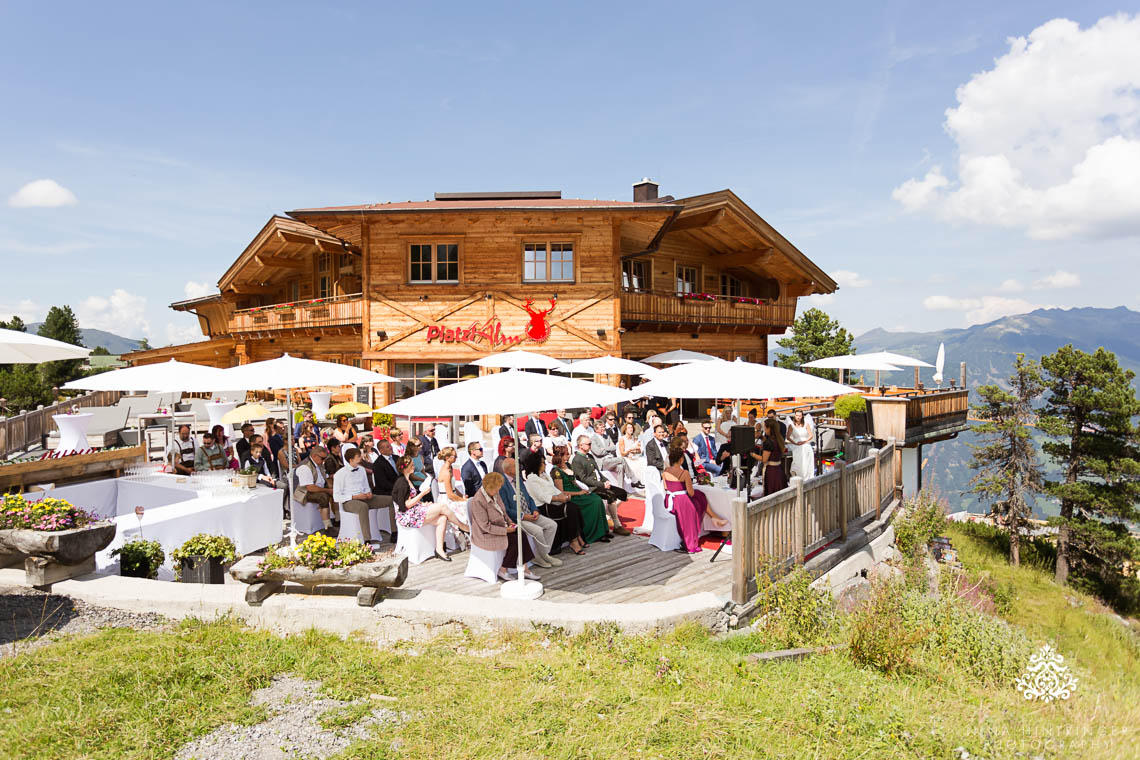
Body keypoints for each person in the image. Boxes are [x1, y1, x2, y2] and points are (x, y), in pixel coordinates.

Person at [392, 455, 469, 561]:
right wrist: (422, 494)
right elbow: (406, 505)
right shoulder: (402, 483)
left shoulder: (407, 479)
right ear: (405, 468)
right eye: (412, 465)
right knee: (442, 506)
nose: (414, 467)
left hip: (413, 511)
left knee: (442, 518)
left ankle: (439, 549)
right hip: (406, 516)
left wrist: (422, 504)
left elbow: (411, 501)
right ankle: (463, 527)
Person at [467, 471, 537, 581]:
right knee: (514, 540)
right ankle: (503, 569)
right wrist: (505, 530)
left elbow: (504, 513)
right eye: (496, 489)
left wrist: (510, 523)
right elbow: (485, 527)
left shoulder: (495, 493)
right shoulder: (478, 501)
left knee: (521, 534)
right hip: (486, 533)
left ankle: (524, 568)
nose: (498, 491)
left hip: (502, 525)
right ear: (489, 487)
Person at [522, 449, 586, 556]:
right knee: (571, 509)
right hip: (543, 506)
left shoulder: (545, 476)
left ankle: (577, 536)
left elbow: (554, 489)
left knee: (574, 506)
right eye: (543, 463)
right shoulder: (532, 478)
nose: (545, 465)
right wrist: (558, 498)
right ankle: (574, 541)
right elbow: (542, 496)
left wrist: (563, 496)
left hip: (553, 502)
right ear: (537, 464)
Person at [663, 447, 727, 553]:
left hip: (669, 500)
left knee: (700, 496)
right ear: (681, 460)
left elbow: (665, 487)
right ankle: (714, 518)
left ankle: (714, 518)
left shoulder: (665, 471)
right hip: (681, 502)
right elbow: (691, 492)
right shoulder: (684, 473)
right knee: (699, 498)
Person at [499, 458, 560, 568]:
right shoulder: (502, 484)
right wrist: (523, 516)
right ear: (508, 470)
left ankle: (542, 554)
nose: (518, 468)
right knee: (537, 531)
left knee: (552, 525)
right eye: (515, 466)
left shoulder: (518, 479)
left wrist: (535, 510)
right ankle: (543, 556)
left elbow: (529, 498)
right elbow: (505, 508)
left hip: (529, 512)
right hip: (516, 517)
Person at [571, 436, 631, 537]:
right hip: (590, 487)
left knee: (622, 493)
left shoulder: (589, 456)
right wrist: (601, 484)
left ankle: (608, 515)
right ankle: (617, 525)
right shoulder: (577, 460)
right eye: (588, 444)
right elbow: (583, 478)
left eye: (590, 444)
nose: (590, 446)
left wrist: (605, 480)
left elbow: (597, 472)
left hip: (600, 483)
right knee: (610, 495)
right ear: (580, 446)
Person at [550, 444, 610, 544]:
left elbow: (574, 482)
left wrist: (583, 490)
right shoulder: (556, 471)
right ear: (560, 456)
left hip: (577, 491)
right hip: (570, 495)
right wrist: (579, 493)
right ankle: (591, 534)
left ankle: (602, 531)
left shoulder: (568, 466)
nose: (568, 456)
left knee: (596, 499)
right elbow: (561, 491)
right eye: (566, 454)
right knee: (593, 502)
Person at [335, 447, 389, 545]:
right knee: (363, 507)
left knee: (390, 500)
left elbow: (366, 486)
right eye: (358, 457)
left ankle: (394, 532)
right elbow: (336, 496)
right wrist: (354, 497)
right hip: (349, 502)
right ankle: (367, 540)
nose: (361, 458)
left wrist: (368, 493)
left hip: (364, 498)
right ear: (351, 460)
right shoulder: (340, 473)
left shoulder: (361, 470)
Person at [433, 446, 470, 551]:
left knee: (468, 505)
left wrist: (461, 496)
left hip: (451, 497)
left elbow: (453, 489)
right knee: (465, 508)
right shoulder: (446, 472)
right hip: (446, 500)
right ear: (448, 458)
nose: (457, 458)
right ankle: (464, 531)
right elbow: (449, 494)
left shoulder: (451, 468)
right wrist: (463, 500)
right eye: (455, 456)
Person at [590, 419, 642, 491]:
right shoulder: (593, 439)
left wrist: (604, 449)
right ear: (596, 429)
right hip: (602, 462)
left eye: (604, 427)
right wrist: (608, 449)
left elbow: (614, 447)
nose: (603, 428)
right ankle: (634, 480)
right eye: (601, 427)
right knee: (622, 459)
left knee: (620, 466)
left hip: (611, 459)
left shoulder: (607, 436)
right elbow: (598, 452)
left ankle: (621, 490)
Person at [294, 444, 335, 533]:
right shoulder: (305, 467)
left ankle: (336, 518)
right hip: (303, 493)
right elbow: (310, 488)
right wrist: (328, 490)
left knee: (337, 492)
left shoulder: (318, 463)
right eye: (322, 458)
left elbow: (326, 478)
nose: (323, 461)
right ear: (314, 456)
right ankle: (327, 527)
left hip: (317, 488)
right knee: (323, 496)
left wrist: (333, 487)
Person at [759, 417, 789, 495]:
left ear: (769, 428)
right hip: (779, 469)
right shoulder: (779, 439)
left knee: (771, 492)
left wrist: (752, 454)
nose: (764, 429)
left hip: (771, 471)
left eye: (765, 427)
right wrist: (762, 438)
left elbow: (764, 459)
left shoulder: (769, 442)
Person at [785, 410, 815, 479]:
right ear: (795, 416)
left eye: (799, 416)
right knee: (798, 458)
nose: (798, 417)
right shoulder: (791, 425)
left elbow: (811, 436)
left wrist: (804, 441)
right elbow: (788, 437)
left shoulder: (806, 424)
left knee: (806, 450)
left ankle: (806, 476)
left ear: (802, 417)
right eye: (797, 415)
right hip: (796, 444)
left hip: (805, 443)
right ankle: (799, 475)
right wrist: (795, 443)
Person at [617, 421, 647, 485]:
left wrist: (635, 451)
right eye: (629, 428)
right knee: (635, 464)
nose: (631, 429)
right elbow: (622, 453)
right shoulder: (622, 439)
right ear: (625, 429)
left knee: (643, 461)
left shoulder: (633, 438)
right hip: (625, 458)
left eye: (631, 428)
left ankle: (643, 481)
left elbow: (638, 450)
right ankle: (635, 481)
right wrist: (630, 450)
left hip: (633, 456)